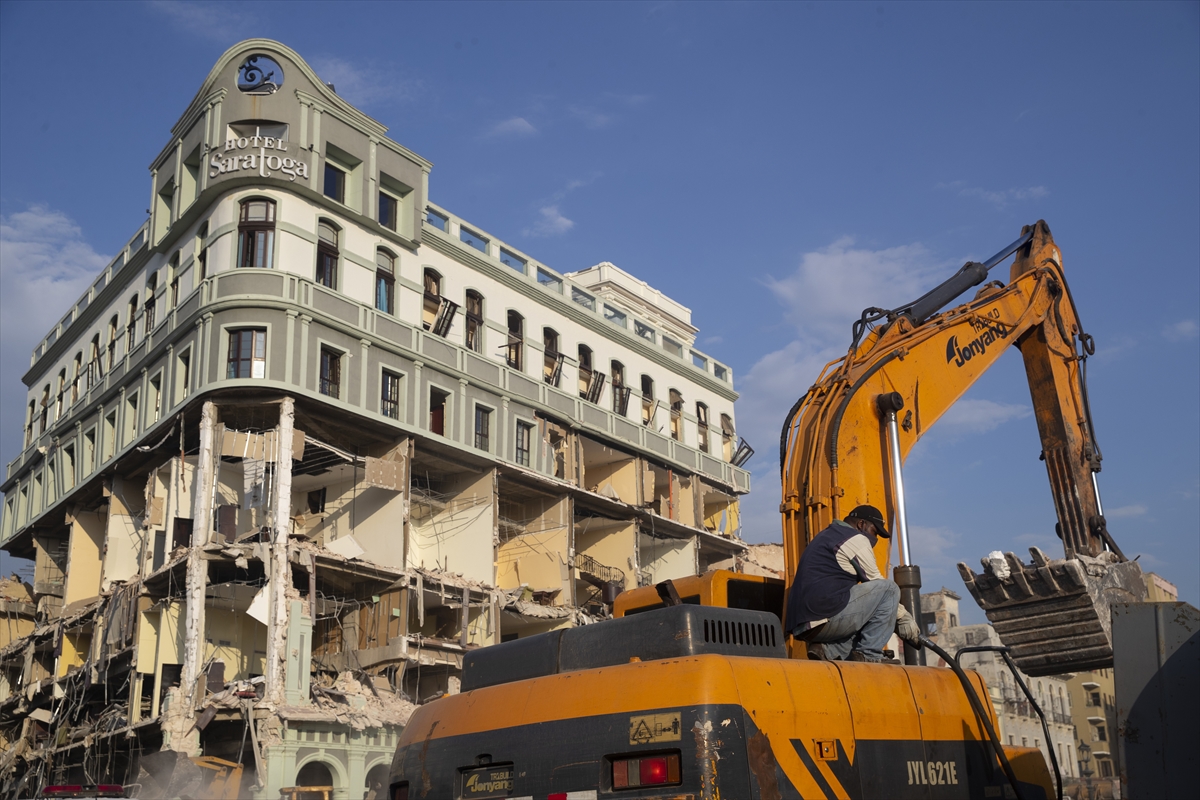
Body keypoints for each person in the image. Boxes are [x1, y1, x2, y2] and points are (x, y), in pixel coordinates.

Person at [785, 504, 921, 663]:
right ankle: (869, 656)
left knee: (868, 615)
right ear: (862, 524)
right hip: (822, 615)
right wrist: (904, 618)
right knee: (889, 589)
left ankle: (826, 649)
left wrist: (890, 618)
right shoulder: (855, 538)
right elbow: (876, 582)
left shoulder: (825, 536)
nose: (875, 539)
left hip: (804, 626)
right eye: (874, 532)